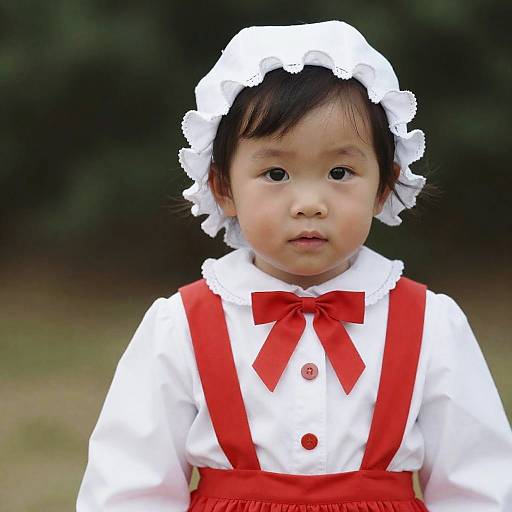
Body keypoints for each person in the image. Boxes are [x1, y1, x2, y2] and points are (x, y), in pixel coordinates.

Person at [76, 20, 512, 512]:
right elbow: (131, 487)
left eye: (340, 172)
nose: (309, 203)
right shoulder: (179, 326)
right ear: (223, 188)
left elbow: (477, 485)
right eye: (276, 173)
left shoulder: (432, 324)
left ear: (384, 187)